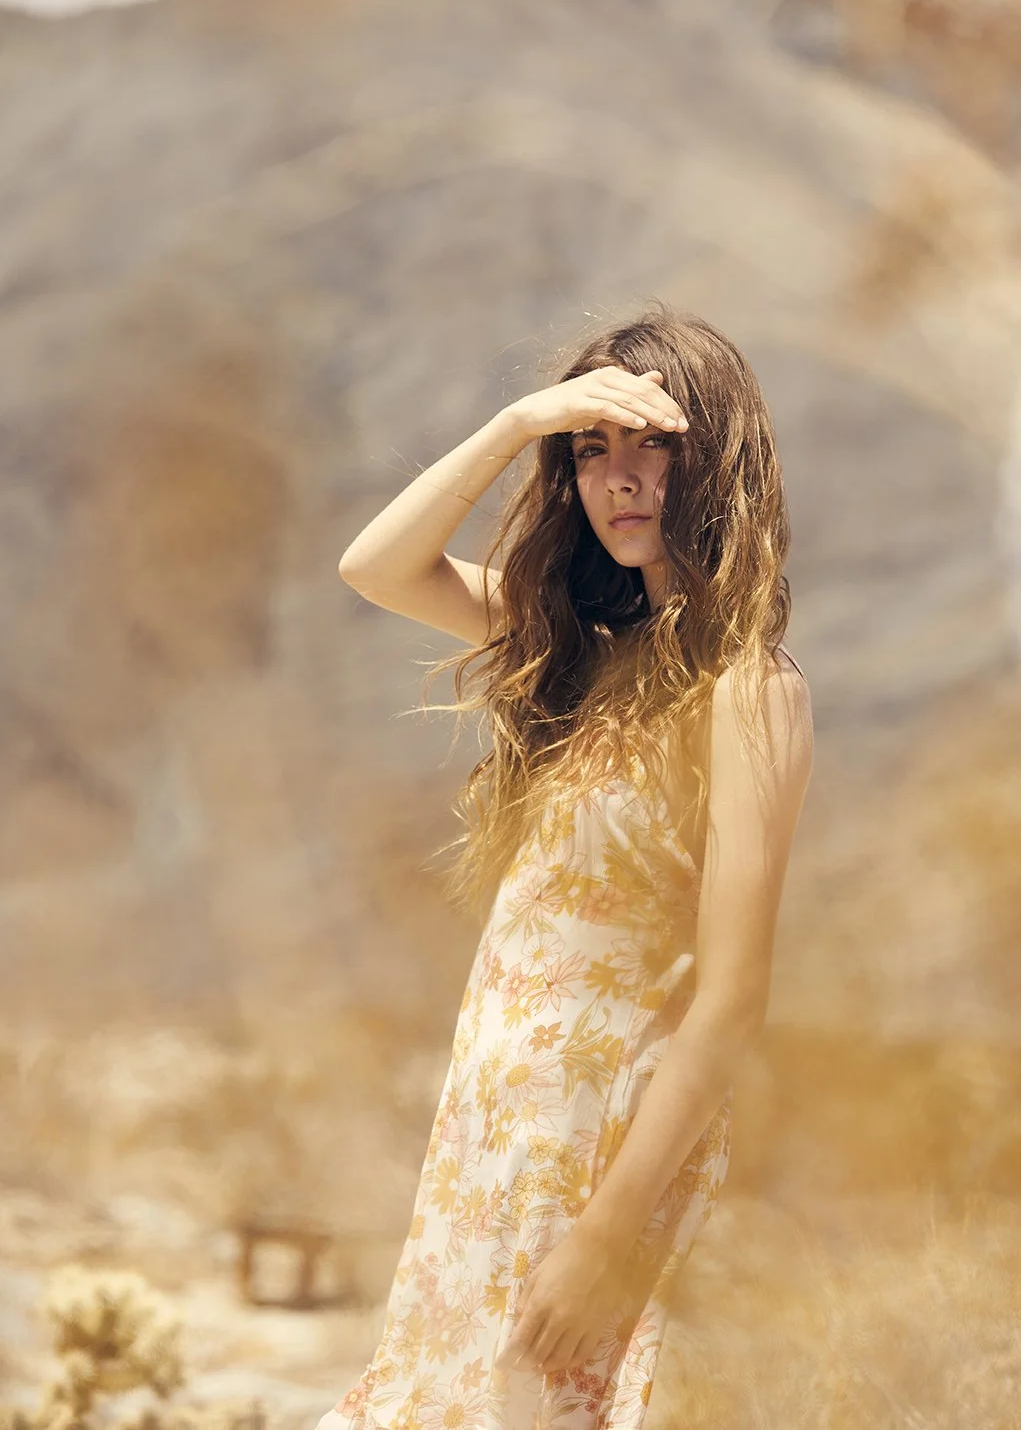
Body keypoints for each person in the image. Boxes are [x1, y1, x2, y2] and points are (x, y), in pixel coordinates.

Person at [317, 303, 814, 1430]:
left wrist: (604, 1241)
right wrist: (516, 424)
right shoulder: (572, 652)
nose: (619, 478)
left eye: (651, 445)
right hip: (492, 1144)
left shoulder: (749, 689)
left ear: (717, 460)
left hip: (603, 1159)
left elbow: (730, 1002)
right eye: (591, 450)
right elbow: (372, 566)